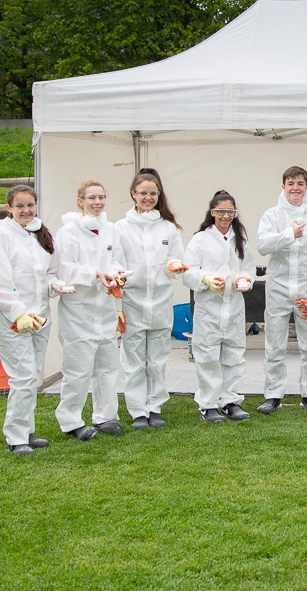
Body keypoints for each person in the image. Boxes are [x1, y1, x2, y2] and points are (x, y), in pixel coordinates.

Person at [0, 184, 62, 456]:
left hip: (40, 315)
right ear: (9, 208)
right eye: (20, 206)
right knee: (23, 376)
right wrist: (17, 313)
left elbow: (48, 273)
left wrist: (56, 286)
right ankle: (15, 436)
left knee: (32, 374)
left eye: (30, 205)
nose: (26, 210)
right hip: (11, 317)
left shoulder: (41, 234)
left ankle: (26, 429)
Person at [52, 179, 127, 440]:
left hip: (104, 307)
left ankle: (105, 416)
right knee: (78, 368)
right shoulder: (68, 231)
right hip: (79, 309)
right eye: (91, 198)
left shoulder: (111, 229)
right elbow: (65, 268)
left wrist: (116, 273)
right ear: (80, 201)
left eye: (101, 197)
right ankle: (71, 420)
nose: (97, 203)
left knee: (106, 366)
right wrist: (96, 273)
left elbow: (116, 258)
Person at [113, 168, 186, 429]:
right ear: (133, 194)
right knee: (133, 360)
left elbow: (175, 259)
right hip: (133, 301)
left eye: (152, 193)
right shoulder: (120, 228)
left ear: (159, 195)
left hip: (160, 301)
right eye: (143, 193)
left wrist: (174, 266)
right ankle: (137, 410)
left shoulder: (168, 228)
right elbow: (116, 262)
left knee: (156, 359)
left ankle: (154, 406)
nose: (148, 197)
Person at [256, 167, 307, 414]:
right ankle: (273, 394)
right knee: (274, 344)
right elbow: (263, 245)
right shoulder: (272, 215)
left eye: (300, 183)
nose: (295, 188)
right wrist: (290, 234)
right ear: (283, 187)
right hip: (278, 287)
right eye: (291, 183)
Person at [183, 191, 256, 424]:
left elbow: (249, 268)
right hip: (209, 308)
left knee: (234, 355)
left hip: (233, 307)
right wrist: (206, 280)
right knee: (207, 357)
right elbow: (188, 271)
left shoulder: (240, 240)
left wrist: (244, 280)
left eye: (230, 212)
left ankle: (229, 400)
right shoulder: (201, 239)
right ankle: (208, 404)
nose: (225, 216)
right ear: (212, 212)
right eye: (221, 211)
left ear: (235, 214)